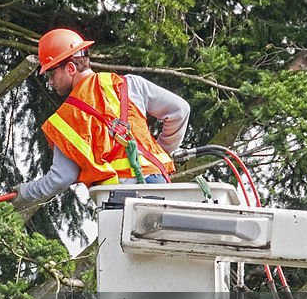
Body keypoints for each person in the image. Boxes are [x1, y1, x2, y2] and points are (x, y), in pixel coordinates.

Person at [14, 28, 189, 209]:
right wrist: (161, 152)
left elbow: (61, 177)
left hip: (121, 198)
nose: (50, 82)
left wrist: (25, 193)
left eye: (51, 74)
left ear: (71, 68)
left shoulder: (69, 117)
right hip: (160, 185)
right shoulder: (128, 84)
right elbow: (180, 110)